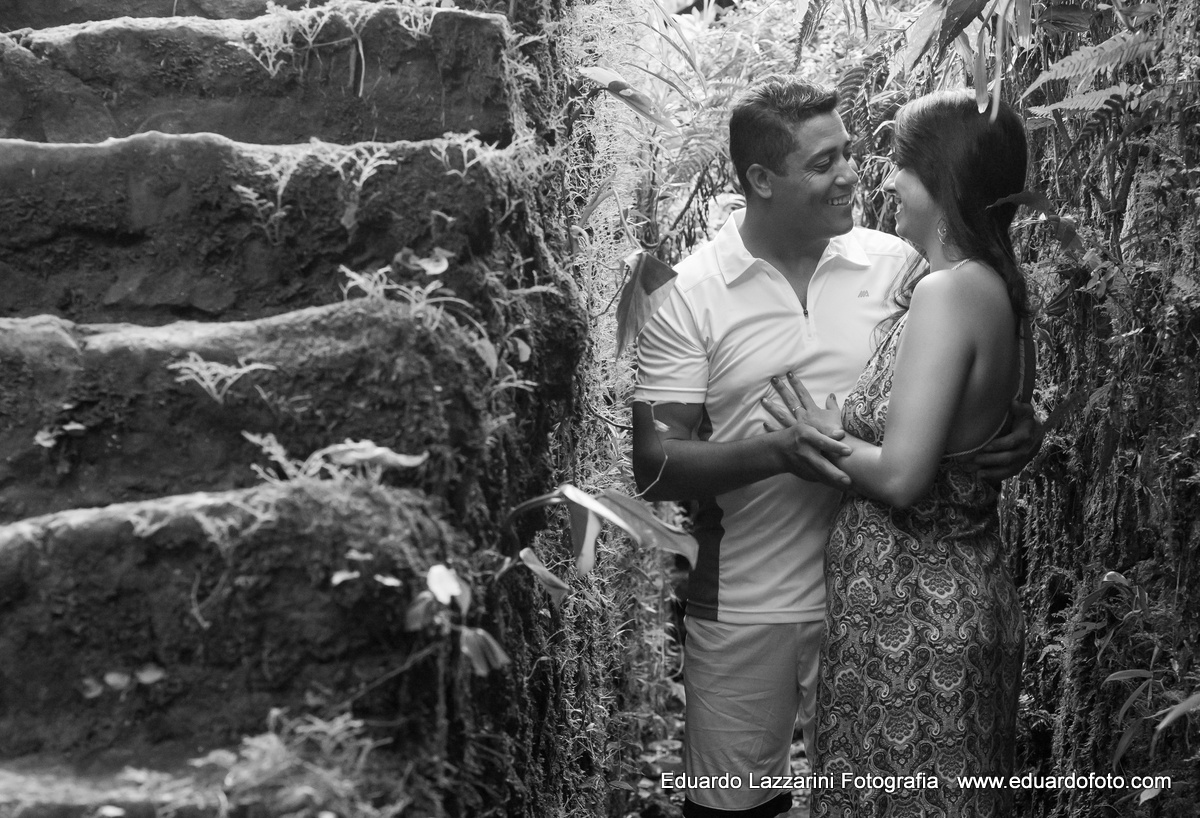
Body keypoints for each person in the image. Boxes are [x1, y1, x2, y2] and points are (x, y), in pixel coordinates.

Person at [630, 77, 1038, 818]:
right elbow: (655, 466)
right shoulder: (686, 294)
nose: (853, 174)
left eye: (850, 152)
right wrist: (778, 451)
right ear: (762, 179)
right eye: (824, 163)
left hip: (885, 604)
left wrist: (1019, 424)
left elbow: (978, 352)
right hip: (748, 597)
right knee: (732, 807)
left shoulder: (901, 266)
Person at [764, 90, 1031, 817]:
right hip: (918, 613)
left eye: (900, 167)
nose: (886, 181)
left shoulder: (948, 293)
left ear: (940, 179)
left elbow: (904, 476)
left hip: (916, 626)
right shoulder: (983, 283)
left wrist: (815, 433)